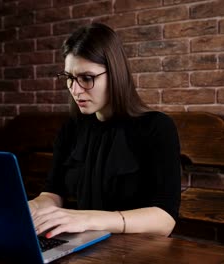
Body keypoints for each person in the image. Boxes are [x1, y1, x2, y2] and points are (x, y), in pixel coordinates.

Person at [28, 22, 181, 239]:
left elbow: (165, 219)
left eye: (87, 78)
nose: (75, 90)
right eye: (69, 78)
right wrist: (33, 207)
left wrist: (87, 219)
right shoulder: (71, 129)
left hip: (135, 251)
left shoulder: (156, 127)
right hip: (81, 244)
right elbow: (54, 192)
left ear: (115, 73)